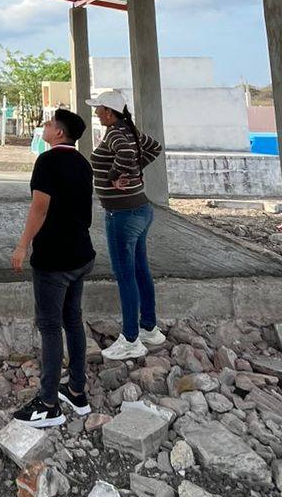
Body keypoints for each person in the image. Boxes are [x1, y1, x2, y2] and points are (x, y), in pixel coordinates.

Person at [9, 107, 96, 427]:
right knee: (72, 320)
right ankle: (76, 390)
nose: (44, 126)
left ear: (59, 132)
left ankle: (48, 404)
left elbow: (40, 207)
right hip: (81, 255)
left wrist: (22, 245)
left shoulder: (47, 161)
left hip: (55, 260)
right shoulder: (82, 163)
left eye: (48, 123)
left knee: (49, 327)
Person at [91, 89, 165, 361]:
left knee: (125, 275)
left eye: (99, 108)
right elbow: (154, 147)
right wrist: (134, 169)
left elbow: (123, 154)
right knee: (140, 270)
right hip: (140, 210)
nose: (96, 112)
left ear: (110, 112)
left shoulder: (115, 134)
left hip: (123, 215)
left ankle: (131, 339)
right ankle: (149, 328)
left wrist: (114, 175)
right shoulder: (129, 131)